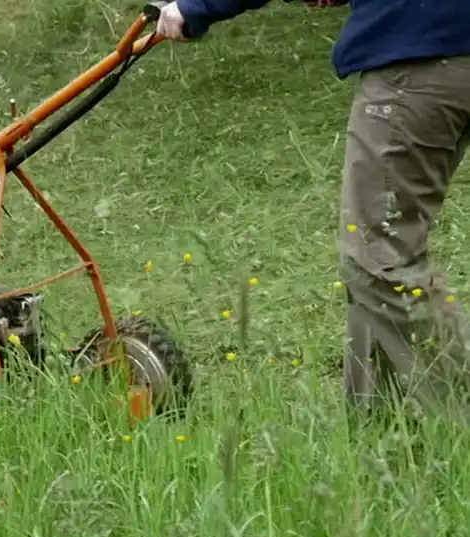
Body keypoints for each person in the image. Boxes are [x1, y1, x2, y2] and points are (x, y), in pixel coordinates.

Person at [155, 0, 470, 426]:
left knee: (380, 259)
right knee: (373, 259)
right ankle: (383, 430)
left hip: (423, 55)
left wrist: (197, 6)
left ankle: (454, 417)